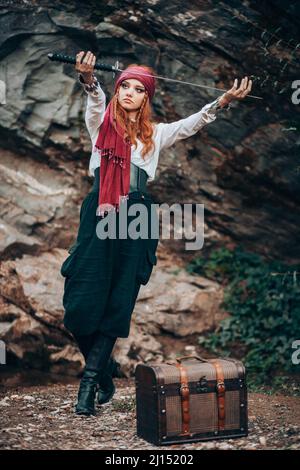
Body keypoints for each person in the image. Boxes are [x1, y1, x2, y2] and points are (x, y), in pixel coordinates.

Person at [60, 50, 252, 416]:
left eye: (137, 89)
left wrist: (223, 100)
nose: (129, 92)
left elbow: (194, 122)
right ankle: (104, 371)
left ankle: (90, 382)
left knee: (119, 299)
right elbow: (94, 96)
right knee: (80, 302)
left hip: (138, 217)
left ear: (147, 97)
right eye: (124, 87)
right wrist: (87, 78)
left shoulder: (156, 135)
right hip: (100, 212)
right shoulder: (100, 123)